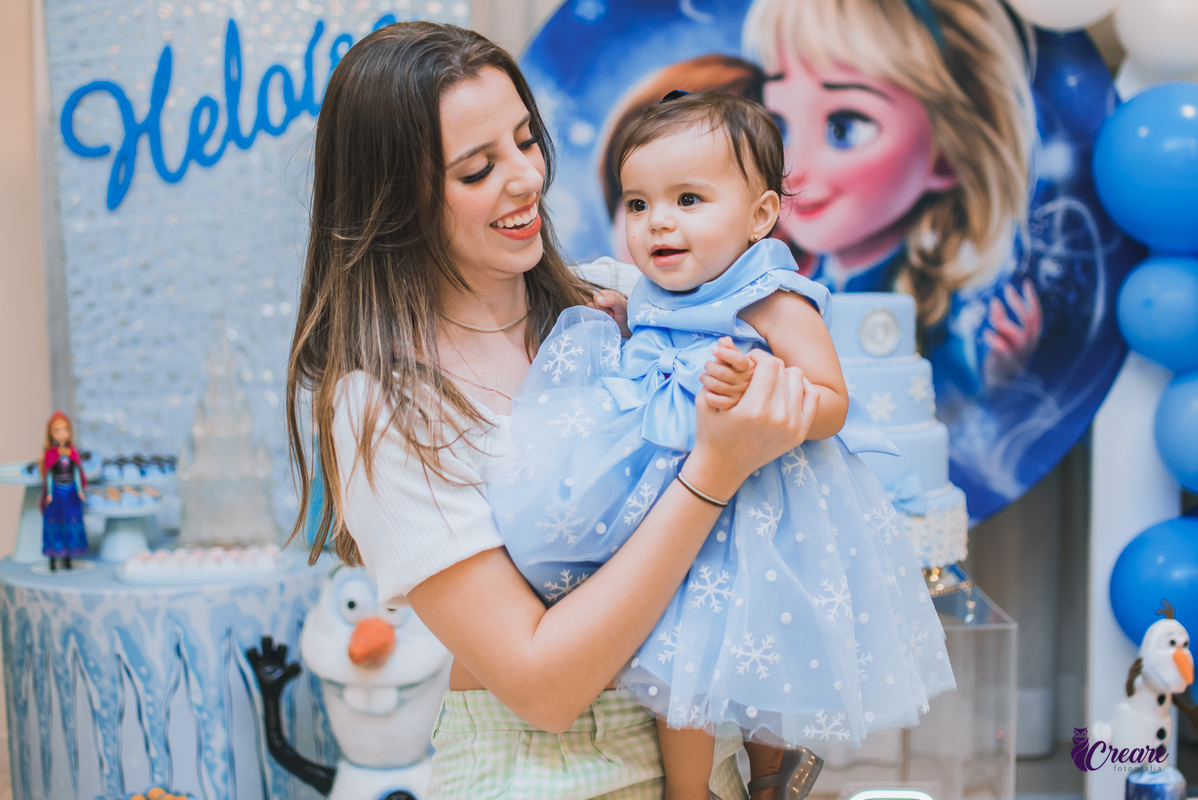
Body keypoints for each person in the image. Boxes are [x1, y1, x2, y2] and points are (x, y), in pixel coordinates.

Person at [285, 21, 816, 799]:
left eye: (526, 141)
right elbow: (544, 687)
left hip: (708, 760)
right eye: (477, 170)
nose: (527, 178)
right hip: (534, 773)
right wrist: (713, 470)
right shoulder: (382, 407)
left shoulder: (626, 298)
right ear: (395, 201)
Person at [489, 91, 955, 800]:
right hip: (675, 514)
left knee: (763, 648)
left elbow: (832, 403)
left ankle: (771, 779)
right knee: (684, 661)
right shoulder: (647, 291)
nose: (658, 223)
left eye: (688, 198)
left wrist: (768, 386)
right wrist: (620, 323)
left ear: (760, 215)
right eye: (638, 204)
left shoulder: (769, 295)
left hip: (763, 509)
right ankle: (689, 790)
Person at [742, 0, 1041, 392]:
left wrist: (1004, 380)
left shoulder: (931, 311)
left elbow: (953, 412)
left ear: (947, 155)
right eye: (778, 126)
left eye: (843, 128)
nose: (790, 167)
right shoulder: (795, 281)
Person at [40, 411, 87, 571]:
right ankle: (53, 559)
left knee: (70, 522)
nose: (61, 434)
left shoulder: (72, 453)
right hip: (57, 493)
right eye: (57, 430)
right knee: (55, 522)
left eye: (65, 429)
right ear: (50, 433)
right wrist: (49, 493)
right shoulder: (50, 454)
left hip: (70, 491)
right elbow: (48, 476)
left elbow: (76, 473)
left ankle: (68, 558)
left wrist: (80, 490)